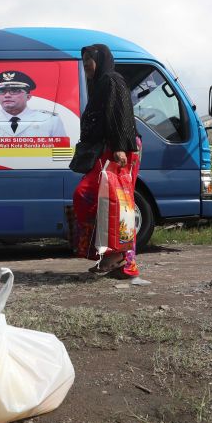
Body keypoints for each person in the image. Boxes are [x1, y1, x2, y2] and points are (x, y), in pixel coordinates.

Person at [72, 44, 141, 279]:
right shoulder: (99, 83)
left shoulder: (112, 80)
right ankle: (110, 256)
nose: (86, 67)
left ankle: (119, 257)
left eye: (88, 61)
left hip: (116, 150)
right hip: (106, 150)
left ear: (99, 60)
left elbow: (119, 113)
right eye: (83, 63)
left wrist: (120, 147)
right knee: (105, 202)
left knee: (108, 201)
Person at [0, 70, 66, 138]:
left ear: (28, 96)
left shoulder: (50, 120)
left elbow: (61, 153)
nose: (7, 95)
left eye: (15, 91)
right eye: (2, 91)